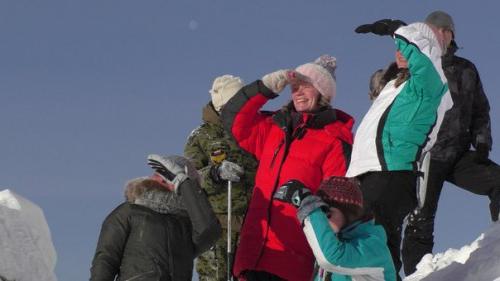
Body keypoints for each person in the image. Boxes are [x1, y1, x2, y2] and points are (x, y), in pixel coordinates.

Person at [221, 55, 354, 281]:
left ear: (323, 93)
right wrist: (265, 87)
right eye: (295, 86)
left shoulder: (334, 140)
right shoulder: (274, 127)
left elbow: (336, 205)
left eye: (307, 86)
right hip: (251, 255)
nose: (298, 92)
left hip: (292, 263)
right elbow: (233, 120)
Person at [349, 20, 453, 279]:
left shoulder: (430, 83)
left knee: (365, 242)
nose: (399, 51)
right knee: (382, 247)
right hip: (371, 172)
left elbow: (420, 55)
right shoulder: (395, 85)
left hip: (392, 172)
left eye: (404, 46)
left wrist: (397, 29)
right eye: (397, 47)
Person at [400, 11, 500, 275]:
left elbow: (481, 108)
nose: (439, 35)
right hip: (424, 156)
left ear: (451, 35)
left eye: (444, 31)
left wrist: (482, 141)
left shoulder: (466, 69)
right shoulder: (416, 66)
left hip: (458, 154)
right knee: (420, 219)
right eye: (433, 31)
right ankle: (416, 275)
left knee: (498, 180)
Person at [90, 155, 222, 281]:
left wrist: (184, 182)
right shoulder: (129, 212)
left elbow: (209, 231)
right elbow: (106, 260)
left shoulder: (185, 224)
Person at [184, 74, 258, 281]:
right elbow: (189, 179)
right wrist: (215, 173)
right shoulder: (201, 135)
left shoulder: (256, 129)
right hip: (218, 227)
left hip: (255, 226)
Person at [273, 176, 396, 281]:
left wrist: (308, 204)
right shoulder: (334, 243)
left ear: (349, 214)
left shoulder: (372, 245)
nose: (323, 220)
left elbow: (332, 259)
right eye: (320, 215)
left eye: (327, 213)